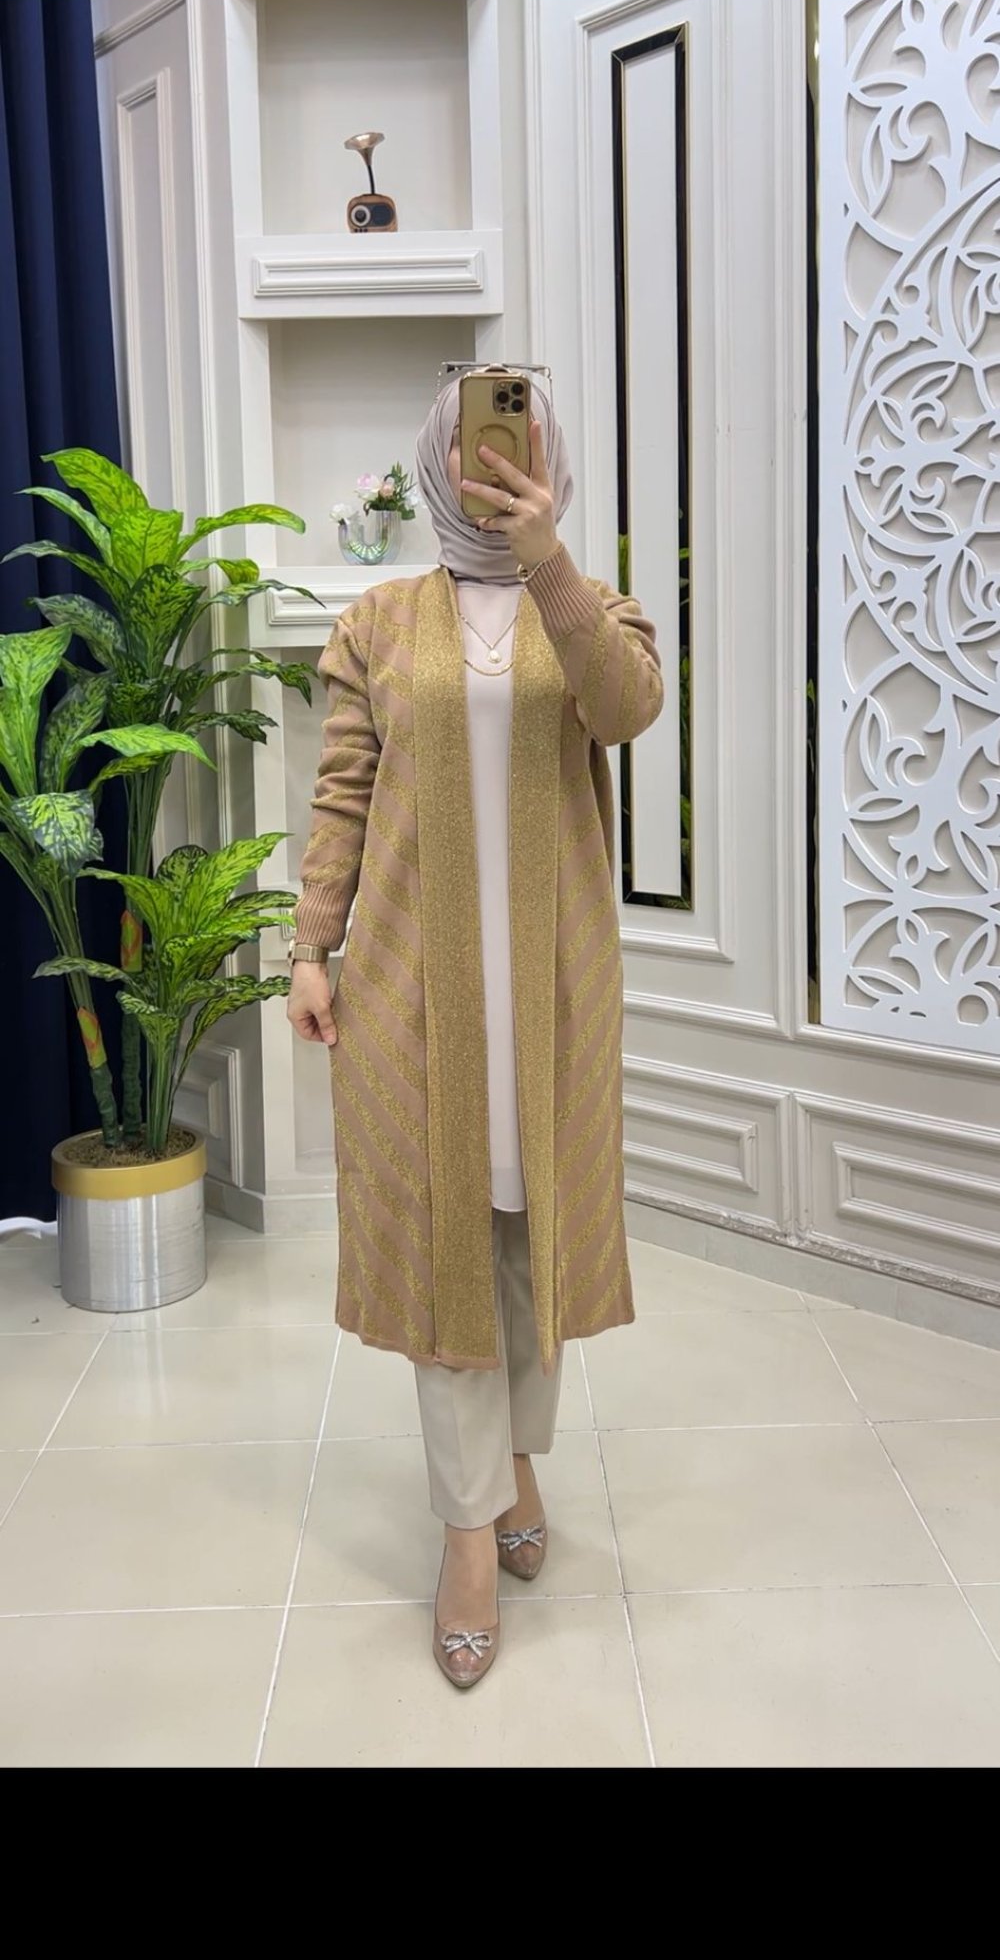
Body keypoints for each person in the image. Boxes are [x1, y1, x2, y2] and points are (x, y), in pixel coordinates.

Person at [287, 375, 663, 1688]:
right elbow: (343, 792)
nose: (494, 456)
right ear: (437, 460)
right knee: (448, 1239)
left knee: (528, 1236)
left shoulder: (592, 607)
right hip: (412, 986)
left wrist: (548, 559)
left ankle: (514, 1461)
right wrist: (311, 947)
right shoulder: (379, 622)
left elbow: (626, 711)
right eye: (472, 440)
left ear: (546, 452)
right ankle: (466, 1533)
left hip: (554, 989)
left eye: (518, 433)